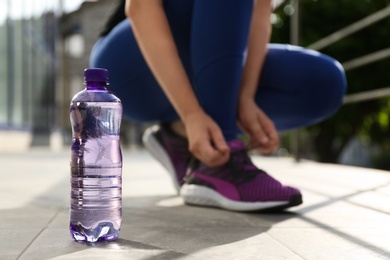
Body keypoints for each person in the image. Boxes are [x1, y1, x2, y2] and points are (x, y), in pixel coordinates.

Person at [90, 0, 347, 211]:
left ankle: (178, 136)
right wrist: (191, 113)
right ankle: (220, 160)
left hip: (205, 51)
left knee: (323, 83)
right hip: (130, 66)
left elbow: (261, 7)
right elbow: (140, 7)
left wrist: (244, 97)